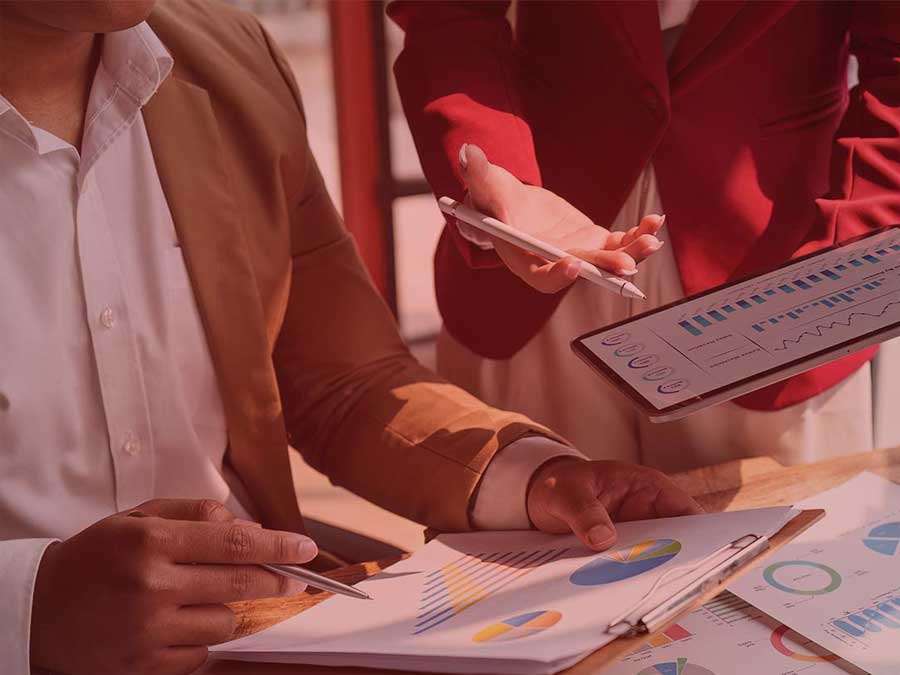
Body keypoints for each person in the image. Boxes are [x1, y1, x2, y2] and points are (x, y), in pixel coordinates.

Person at [0, 2, 703, 674]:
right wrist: (31, 608)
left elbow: (343, 382)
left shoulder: (228, 65)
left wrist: (541, 478)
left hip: (263, 623)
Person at [389, 0, 900, 471]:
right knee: (524, 549)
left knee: (786, 562)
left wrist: (846, 257)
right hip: (536, 243)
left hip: (779, 265)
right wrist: (497, 171)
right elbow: (450, 11)